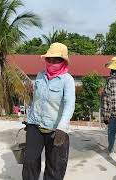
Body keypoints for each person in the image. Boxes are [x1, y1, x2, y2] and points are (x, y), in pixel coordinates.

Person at [23, 42, 75, 180]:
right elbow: (36, 100)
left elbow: (69, 104)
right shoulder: (40, 76)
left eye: (56, 59)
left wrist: (62, 128)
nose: (51, 62)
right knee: (29, 162)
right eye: (49, 59)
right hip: (35, 124)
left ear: (63, 61)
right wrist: (29, 120)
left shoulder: (67, 80)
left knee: (55, 167)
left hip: (56, 129)